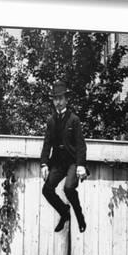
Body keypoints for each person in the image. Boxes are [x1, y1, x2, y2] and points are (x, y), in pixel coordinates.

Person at [41, 80, 89, 233]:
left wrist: (81, 165)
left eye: (61, 98)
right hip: (58, 163)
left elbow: (81, 145)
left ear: (66, 99)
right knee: (47, 190)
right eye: (55, 99)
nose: (58, 102)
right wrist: (44, 164)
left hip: (72, 162)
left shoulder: (74, 120)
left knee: (68, 188)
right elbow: (47, 144)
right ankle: (64, 212)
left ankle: (80, 217)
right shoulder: (51, 121)